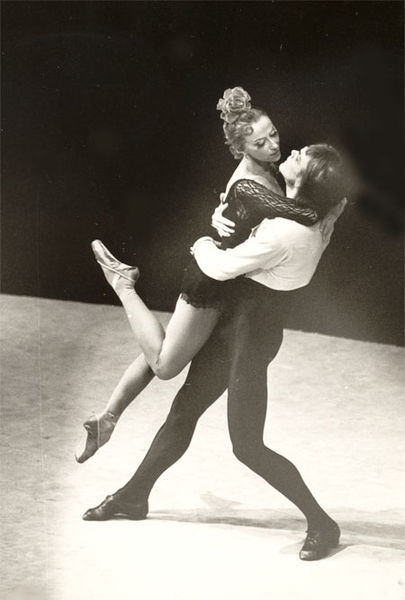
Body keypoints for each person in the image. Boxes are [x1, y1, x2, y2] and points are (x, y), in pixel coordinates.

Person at [82, 142, 347, 562]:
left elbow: (220, 267)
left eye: (302, 156)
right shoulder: (304, 217)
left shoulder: (289, 231)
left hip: (251, 336)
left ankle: (323, 524)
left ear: (307, 181)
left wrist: (203, 239)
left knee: (247, 446)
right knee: (184, 412)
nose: (293, 150)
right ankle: (133, 496)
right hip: (237, 324)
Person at [76, 87, 319, 463]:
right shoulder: (249, 185)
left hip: (230, 279)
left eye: (273, 133)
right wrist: (325, 205)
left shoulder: (266, 169)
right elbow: (304, 213)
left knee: (167, 348)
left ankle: (107, 419)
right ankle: (124, 285)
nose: (273, 145)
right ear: (243, 149)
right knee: (165, 365)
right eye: (261, 142)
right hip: (210, 284)